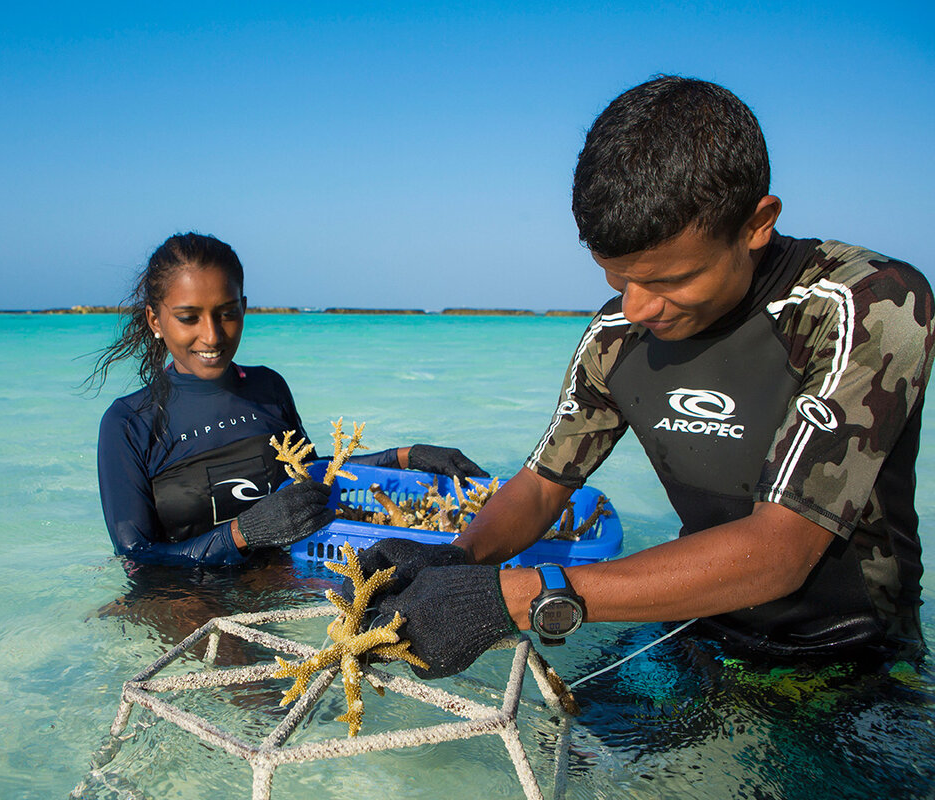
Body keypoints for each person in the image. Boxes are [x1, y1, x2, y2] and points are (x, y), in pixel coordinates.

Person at [357, 76, 933, 677]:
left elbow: (780, 551)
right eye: (616, 277)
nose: (636, 308)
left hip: (852, 654)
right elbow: (542, 485)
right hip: (694, 623)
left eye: (667, 281)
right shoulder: (616, 335)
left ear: (757, 224)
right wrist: (459, 557)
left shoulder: (865, 305)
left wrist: (519, 596)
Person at [92, 232, 487, 567]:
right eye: (188, 317)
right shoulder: (129, 422)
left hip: (283, 577)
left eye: (227, 313)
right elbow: (137, 556)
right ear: (155, 320)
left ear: (244, 309)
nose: (212, 336)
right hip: (187, 603)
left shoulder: (268, 388)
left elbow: (312, 478)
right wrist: (241, 534)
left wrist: (405, 457)